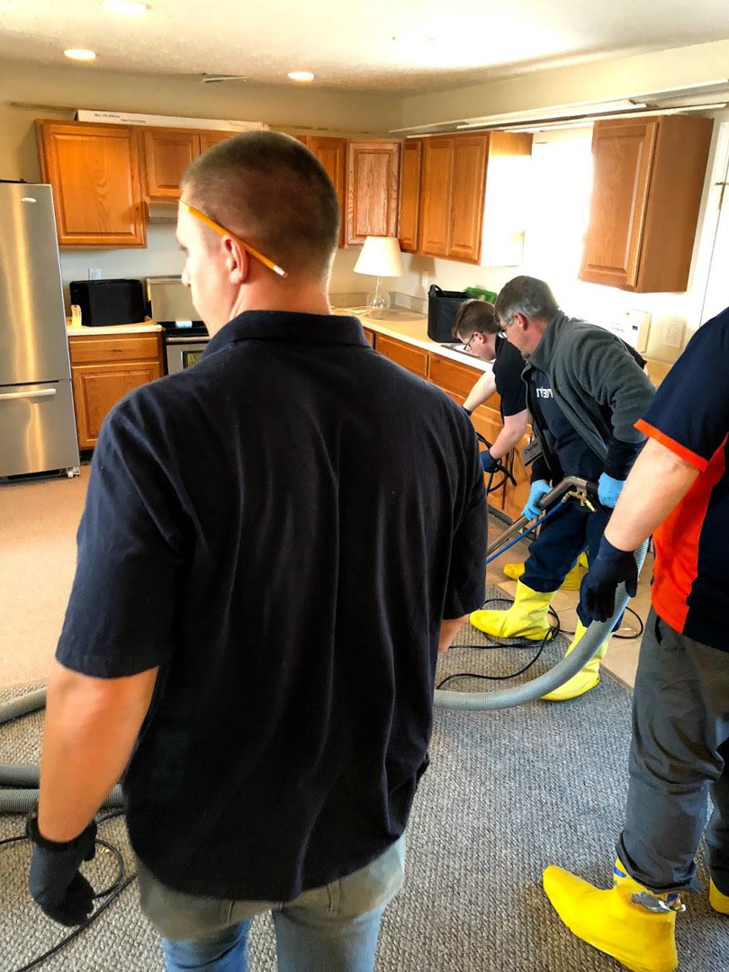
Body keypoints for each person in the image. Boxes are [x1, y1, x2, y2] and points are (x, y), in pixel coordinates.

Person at [25, 132, 489, 972]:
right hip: (360, 807)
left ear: (233, 255)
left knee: (203, 959)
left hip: (206, 821)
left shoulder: (156, 427)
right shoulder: (440, 422)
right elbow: (447, 618)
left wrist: (57, 833)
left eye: (190, 254)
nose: (191, 276)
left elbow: (101, 687)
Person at [543, 306, 729, 972]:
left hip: (714, 601)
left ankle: (641, 913)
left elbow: (672, 456)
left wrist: (614, 549)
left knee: (673, 750)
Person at [469, 275, 655, 702]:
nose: (507, 341)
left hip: (613, 489)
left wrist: (618, 472)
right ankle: (527, 620)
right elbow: (546, 429)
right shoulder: (538, 362)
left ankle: (583, 664)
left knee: (602, 573)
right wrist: (538, 480)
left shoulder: (584, 345)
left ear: (519, 320)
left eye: (505, 330)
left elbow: (641, 402)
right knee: (548, 550)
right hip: (573, 484)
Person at [454, 297, 583, 592]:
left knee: (561, 516)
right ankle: (570, 568)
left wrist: (488, 459)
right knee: (569, 510)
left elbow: (513, 432)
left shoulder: (512, 359)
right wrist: (463, 413)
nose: (470, 351)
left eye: (467, 344)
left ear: (478, 336)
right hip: (557, 428)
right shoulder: (508, 350)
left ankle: (537, 598)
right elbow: (493, 377)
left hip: (571, 438)